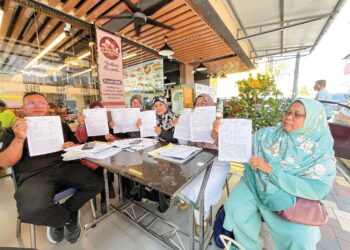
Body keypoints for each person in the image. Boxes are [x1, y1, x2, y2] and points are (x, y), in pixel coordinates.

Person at [216, 99, 336, 250]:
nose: (288, 117)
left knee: (301, 237)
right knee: (234, 209)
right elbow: (240, 148)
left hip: (288, 195)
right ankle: (248, 246)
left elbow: (318, 189)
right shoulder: (268, 135)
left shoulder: (320, 148)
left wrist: (271, 171)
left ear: (312, 120)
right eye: (288, 112)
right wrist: (221, 136)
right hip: (255, 182)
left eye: (297, 114)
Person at [0, 92, 103, 244]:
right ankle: (66, 219)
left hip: (65, 167)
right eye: (31, 103)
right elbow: (4, 162)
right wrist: (19, 139)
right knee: (29, 211)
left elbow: (75, 146)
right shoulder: (11, 131)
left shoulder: (60, 125)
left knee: (97, 183)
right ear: (23, 108)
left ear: (47, 107)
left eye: (41, 103)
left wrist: (72, 146)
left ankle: (67, 212)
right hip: (34, 175)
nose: (37, 106)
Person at [178, 94, 230, 235]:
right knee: (177, 176)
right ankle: (189, 200)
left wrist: (217, 134)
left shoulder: (220, 122)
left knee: (200, 190)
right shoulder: (191, 120)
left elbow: (229, 147)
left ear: (211, 105)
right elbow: (183, 143)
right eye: (197, 103)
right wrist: (180, 128)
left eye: (203, 102)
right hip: (194, 157)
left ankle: (202, 218)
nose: (200, 105)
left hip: (217, 161)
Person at [74, 101, 116, 214]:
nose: (96, 112)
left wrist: (110, 138)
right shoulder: (84, 124)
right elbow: (80, 139)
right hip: (90, 156)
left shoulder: (107, 124)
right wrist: (82, 124)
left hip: (105, 153)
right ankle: (105, 198)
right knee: (102, 169)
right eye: (94, 110)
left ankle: (106, 195)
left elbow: (113, 140)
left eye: (99, 110)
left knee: (108, 166)